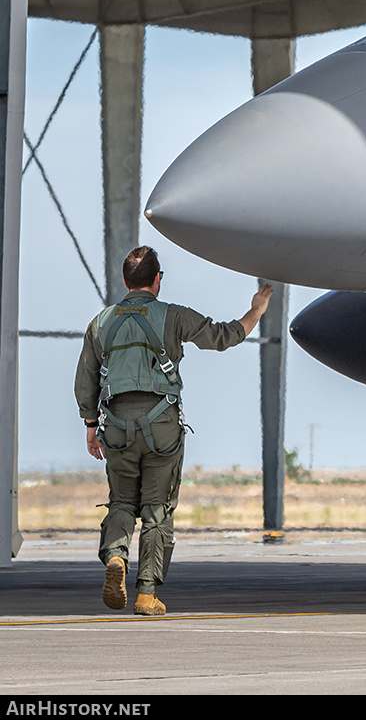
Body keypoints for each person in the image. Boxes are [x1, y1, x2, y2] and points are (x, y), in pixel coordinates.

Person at [74, 246, 271, 616]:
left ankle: (116, 556)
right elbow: (226, 336)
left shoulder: (99, 323)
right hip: (161, 425)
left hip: (115, 425)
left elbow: (85, 381)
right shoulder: (174, 316)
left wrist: (90, 425)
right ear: (157, 279)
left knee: (120, 502)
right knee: (157, 509)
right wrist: (256, 310)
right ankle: (147, 594)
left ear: (124, 281)